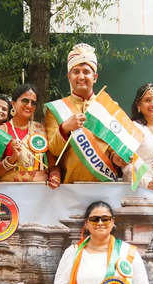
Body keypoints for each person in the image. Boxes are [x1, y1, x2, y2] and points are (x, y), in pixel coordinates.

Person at [45, 43, 123, 185]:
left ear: (95, 77)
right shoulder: (55, 109)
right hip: (69, 187)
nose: (81, 76)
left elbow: (115, 147)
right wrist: (64, 128)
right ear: (69, 77)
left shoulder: (109, 107)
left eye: (86, 72)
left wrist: (116, 156)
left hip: (105, 183)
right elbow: (54, 151)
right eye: (76, 71)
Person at [0, 83, 57, 185]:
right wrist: (12, 159)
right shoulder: (1, 131)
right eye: (25, 100)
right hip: (10, 193)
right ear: (13, 103)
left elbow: (52, 162)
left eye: (33, 103)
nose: (29, 105)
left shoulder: (41, 129)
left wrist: (54, 174)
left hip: (40, 191)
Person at [121, 83, 153, 190]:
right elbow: (126, 164)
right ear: (138, 105)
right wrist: (146, 182)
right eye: (148, 100)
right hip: (139, 190)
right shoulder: (133, 128)